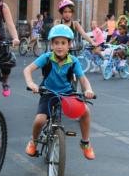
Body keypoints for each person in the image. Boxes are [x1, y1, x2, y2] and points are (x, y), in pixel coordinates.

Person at [23, 24, 96, 160]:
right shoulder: (46, 57)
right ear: (51, 45)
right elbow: (27, 70)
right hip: (48, 92)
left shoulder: (73, 61)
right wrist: (31, 83)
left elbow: (83, 79)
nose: (59, 46)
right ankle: (33, 141)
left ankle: (85, 143)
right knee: (40, 120)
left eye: (63, 43)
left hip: (67, 94)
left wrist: (88, 90)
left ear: (69, 45)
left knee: (85, 111)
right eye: (56, 43)